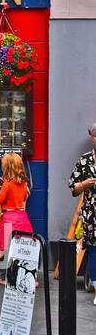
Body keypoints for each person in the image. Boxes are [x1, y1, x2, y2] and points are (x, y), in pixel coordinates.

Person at [0, 152, 33, 284]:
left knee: (3, 246)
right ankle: (24, 276)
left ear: (6, 167)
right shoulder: (24, 183)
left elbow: (0, 200)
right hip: (22, 217)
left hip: (8, 217)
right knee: (22, 247)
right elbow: (25, 198)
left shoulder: (7, 184)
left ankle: (4, 277)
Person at [69, 124, 96, 303]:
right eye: (95, 135)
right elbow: (73, 189)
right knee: (94, 251)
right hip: (92, 215)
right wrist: (84, 185)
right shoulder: (84, 160)